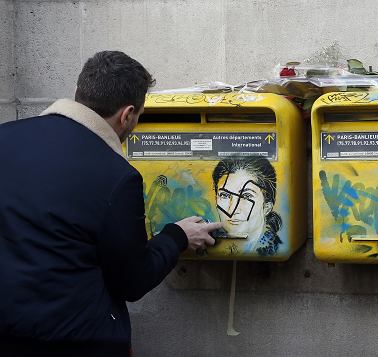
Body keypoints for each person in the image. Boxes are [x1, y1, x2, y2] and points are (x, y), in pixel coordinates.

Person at [0, 51, 221, 357]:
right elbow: (131, 280)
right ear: (127, 114)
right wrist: (177, 237)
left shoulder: (5, 137)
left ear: (80, 93)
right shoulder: (116, 176)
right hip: (75, 341)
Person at [212, 157, 282, 256]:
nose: (232, 209)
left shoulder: (275, 250)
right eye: (225, 195)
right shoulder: (206, 246)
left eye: (246, 196)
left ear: (267, 207)